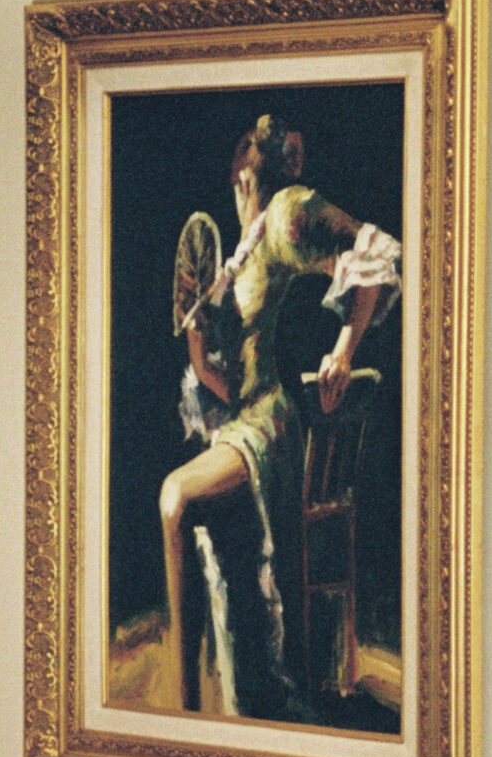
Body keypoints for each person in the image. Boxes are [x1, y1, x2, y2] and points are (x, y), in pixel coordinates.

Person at [160, 114, 400, 719]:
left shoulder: (287, 216)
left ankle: (185, 706)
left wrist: (343, 352)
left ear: (255, 167)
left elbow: (368, 248)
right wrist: (199, 344)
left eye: (246, 157)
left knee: (174, 498)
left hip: (269, 424)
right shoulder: (238, 253)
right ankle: (196, 709)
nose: (238, 174)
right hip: (239, 420)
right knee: (184, 510)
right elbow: (221, 378)